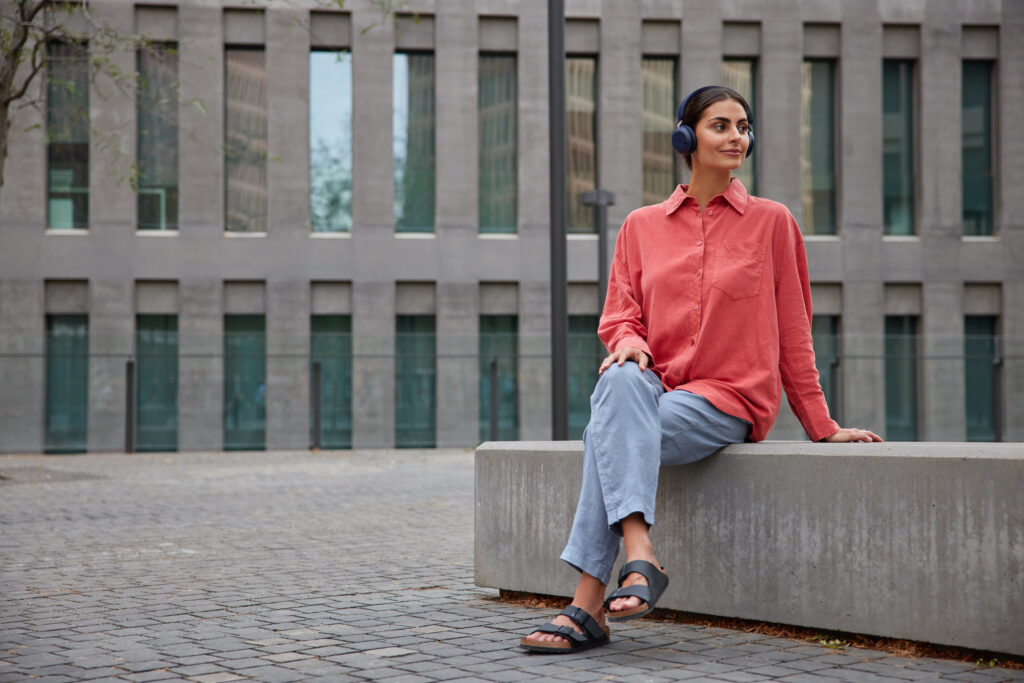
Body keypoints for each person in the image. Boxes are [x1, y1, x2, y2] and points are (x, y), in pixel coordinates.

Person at [520, 85, 882, 653]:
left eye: (743, 126)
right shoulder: (640, 226)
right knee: (617, 377)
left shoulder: (773, 223)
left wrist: (821, 423)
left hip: (727, 399)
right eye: (720, 125)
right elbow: (619, 315)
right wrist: (631, 343)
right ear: (686, 139)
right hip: (651, 386)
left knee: (603, 433)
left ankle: (590, 599)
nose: (736, 136)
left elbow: (794, 330)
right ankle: (637, 558)